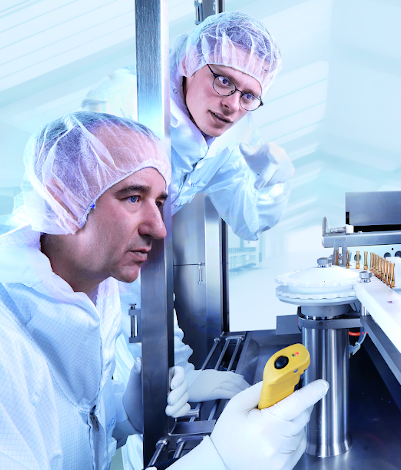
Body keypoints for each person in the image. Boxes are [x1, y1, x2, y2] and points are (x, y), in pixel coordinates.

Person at [0, 112, 328, 470]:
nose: (159, 228)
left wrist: (127, 411)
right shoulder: (7, 339)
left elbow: (71, 419)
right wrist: (217, 462)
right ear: (65, 197)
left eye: (159, 202)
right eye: (132, 197)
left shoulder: (95, 291)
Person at [81, 12, 296, 469]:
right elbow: (102, 248)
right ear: (191, 62)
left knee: (112, 429)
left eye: (249, 95)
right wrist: (170, 361)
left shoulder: (220, 143)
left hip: (130, 296)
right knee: (81, 422)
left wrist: (276, 178)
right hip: (82, 292)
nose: (232, 104)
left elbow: (248, 217)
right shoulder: (131, 104)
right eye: (222, 81)